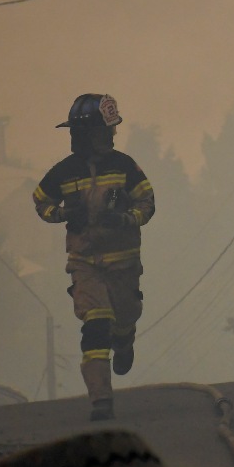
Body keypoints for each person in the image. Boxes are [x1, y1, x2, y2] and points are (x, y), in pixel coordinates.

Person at [33, 93, 155, 421]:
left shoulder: (125, 166)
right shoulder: (63, 172)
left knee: (125, 314)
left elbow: (147, 203)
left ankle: (125, 338)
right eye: (106, 132)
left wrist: (126, 218)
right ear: (85, 135)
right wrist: (61, 214)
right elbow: (40, 201)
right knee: (95, 325)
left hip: (123, 263)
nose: (112, 137)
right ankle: (101, 398)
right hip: (85, 264)